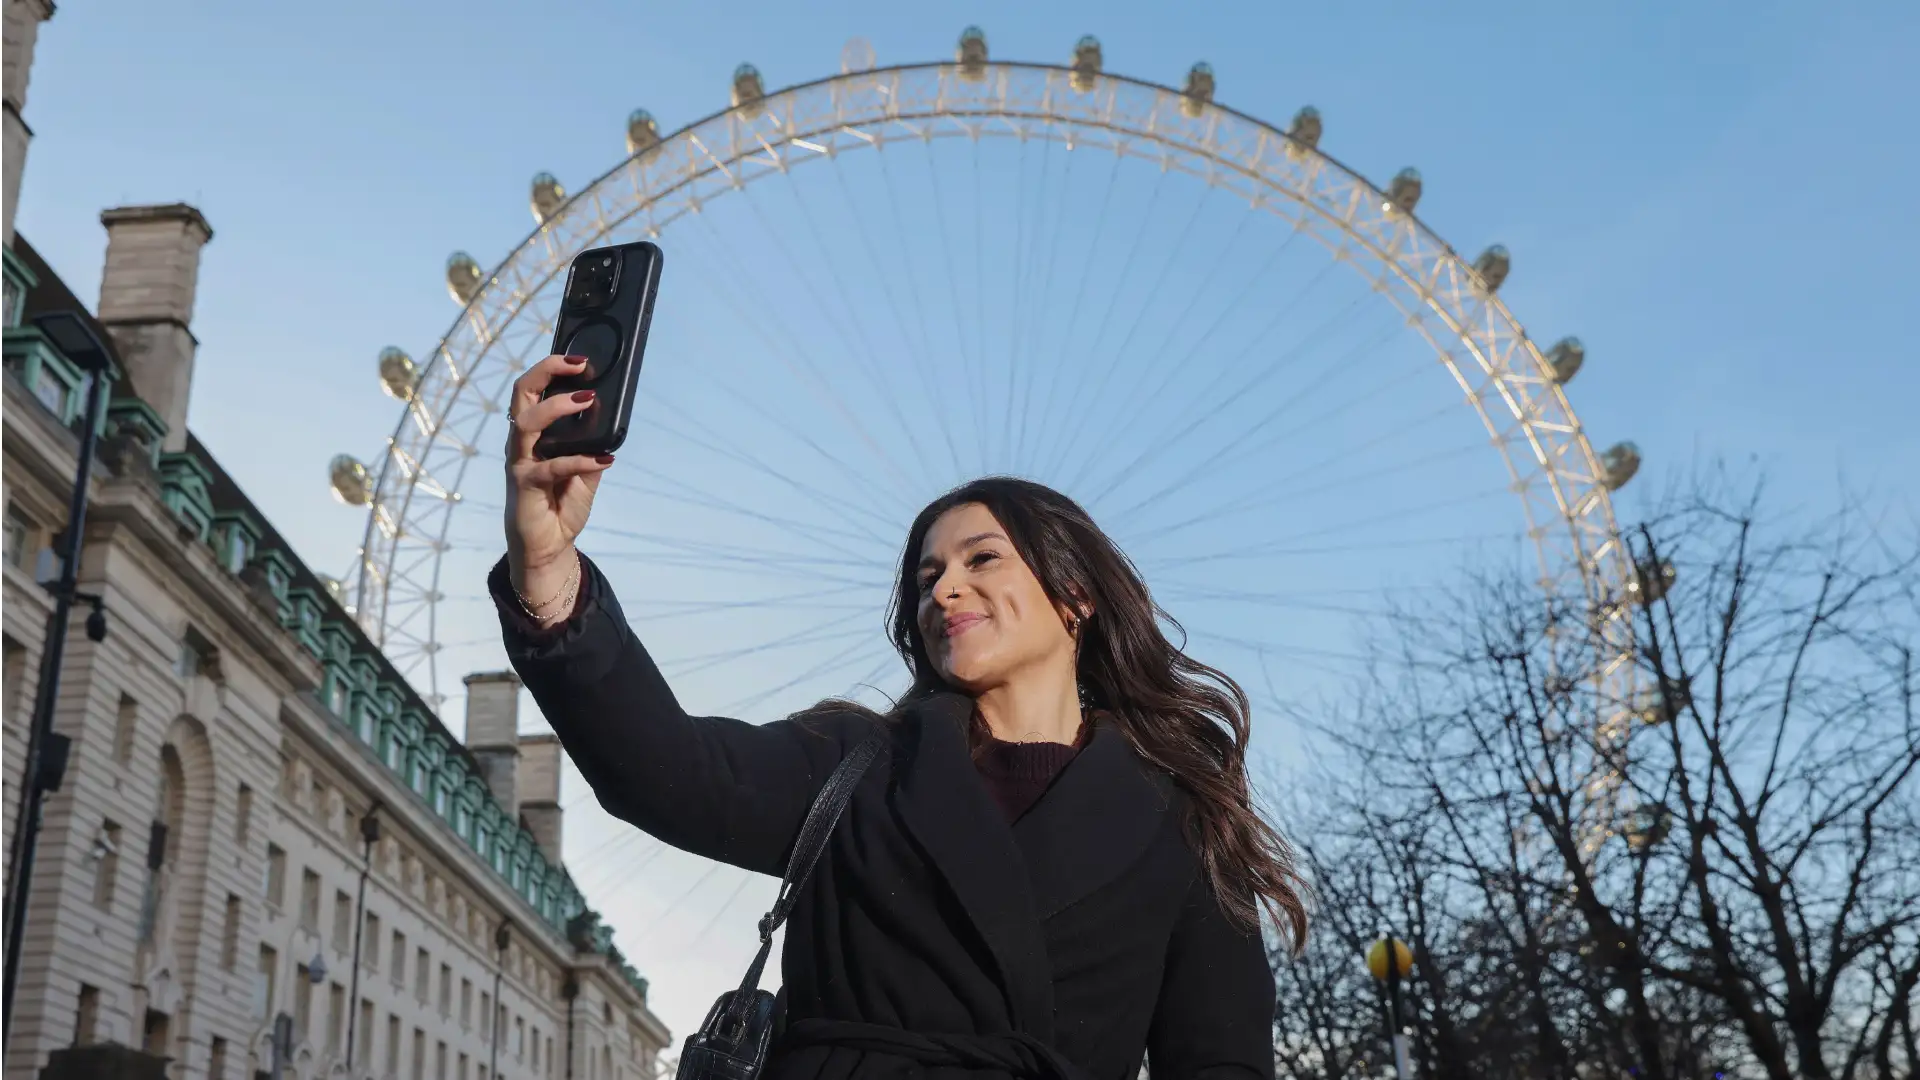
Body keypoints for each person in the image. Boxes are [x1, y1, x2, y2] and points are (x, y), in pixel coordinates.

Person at [492, 354, 1309, 1080]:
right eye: (927, 576)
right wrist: (547, 564)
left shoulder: (1186, 822)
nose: (943, 589)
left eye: (981, 559)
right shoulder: (854, 764)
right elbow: (663, 772)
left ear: (1077, 596)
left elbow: (1218, 1059)